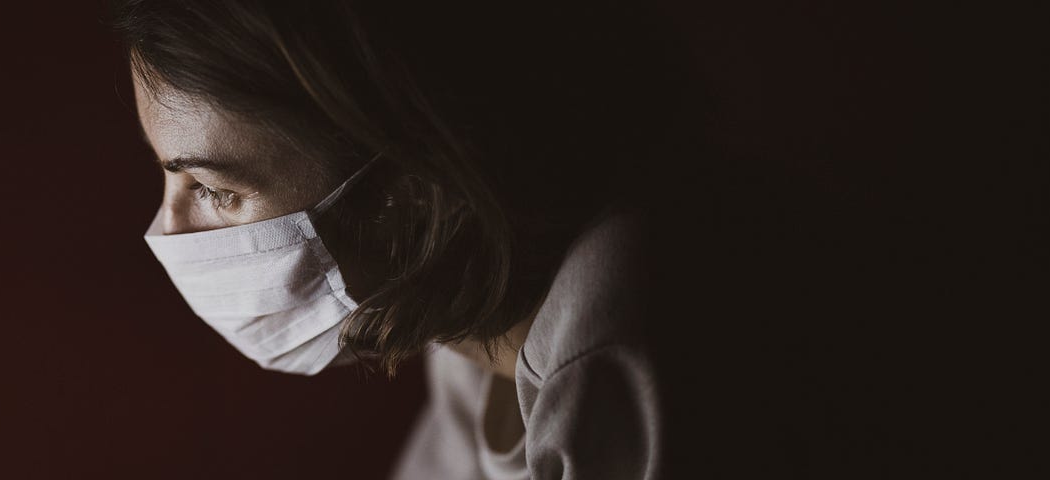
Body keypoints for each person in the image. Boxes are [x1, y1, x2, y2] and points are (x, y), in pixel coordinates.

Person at [114, 0, 808, 477]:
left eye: (214, 189)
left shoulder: (616, 338)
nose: (167, 232)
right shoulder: (462, 322)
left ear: (410, 189)